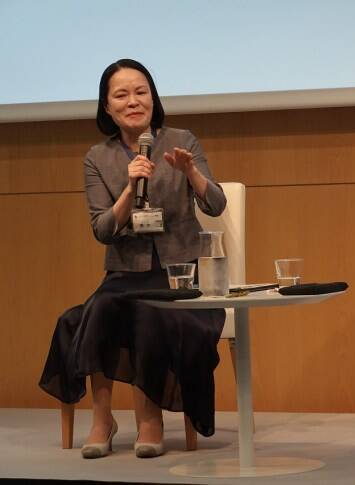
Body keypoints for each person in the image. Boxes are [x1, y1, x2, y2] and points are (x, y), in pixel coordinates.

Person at [39, 59, 228, 459]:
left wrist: (191, 173)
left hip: (180, 274)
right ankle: (102, 420)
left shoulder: (182, 139)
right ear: (107, 107)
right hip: (125, 273)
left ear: (153, 98)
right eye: (121, 95)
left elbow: (215, 204)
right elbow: (103, 229)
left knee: (149, 313)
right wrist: (129, 188)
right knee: (98, 310)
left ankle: (150, 420)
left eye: (141, 92)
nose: (133, 101)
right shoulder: (97, 157)